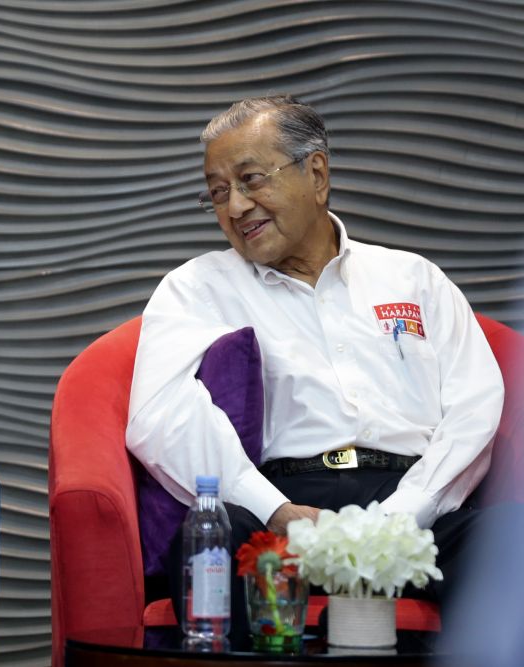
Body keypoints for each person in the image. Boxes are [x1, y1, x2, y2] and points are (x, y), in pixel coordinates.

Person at [125, 94, 504, 639]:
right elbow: (161, 416)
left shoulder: (413, 279)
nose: (234, 207)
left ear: (317, 173)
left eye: (251, 179)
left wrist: (404, 517)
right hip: (281, 509)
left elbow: (474, 408)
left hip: (418, 505)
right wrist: (274, 510)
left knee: (509, 536)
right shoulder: (198, 288)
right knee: (211, 536)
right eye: (217, 193)